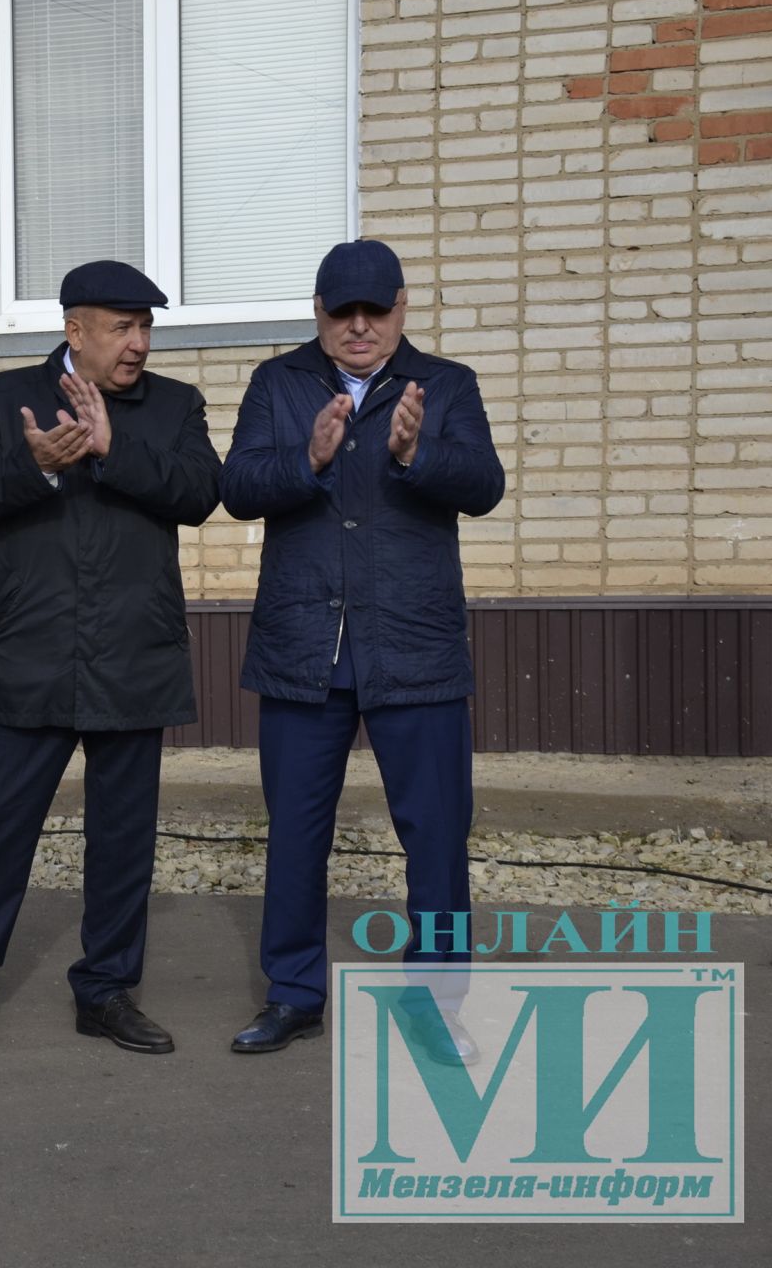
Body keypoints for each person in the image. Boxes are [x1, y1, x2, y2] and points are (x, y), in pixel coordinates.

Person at [0, 260, 222, 1061]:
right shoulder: (4, 398)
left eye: (146, 327)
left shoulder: (172, 406)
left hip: (135, 652)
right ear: (74, 330)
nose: (139, 344)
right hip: (29, 653)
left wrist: (113, 448)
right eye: (123, 327)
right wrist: (41, 465)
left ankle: (106, 992)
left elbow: (200, 494)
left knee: (122, 838)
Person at [219, 239, 505, 1060]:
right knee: (297, 831)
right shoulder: (278, 383)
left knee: (437, 833)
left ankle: (435, 1005)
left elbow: (483, 486)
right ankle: (294, 993)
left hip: (414, 644)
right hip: (304, 644)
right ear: (317, 313)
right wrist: (306, 460)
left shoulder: (447, 385)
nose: (357, 327)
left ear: (400, 308)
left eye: (373, 310)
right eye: (340, 311)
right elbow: (237, 487)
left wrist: (419, 454)